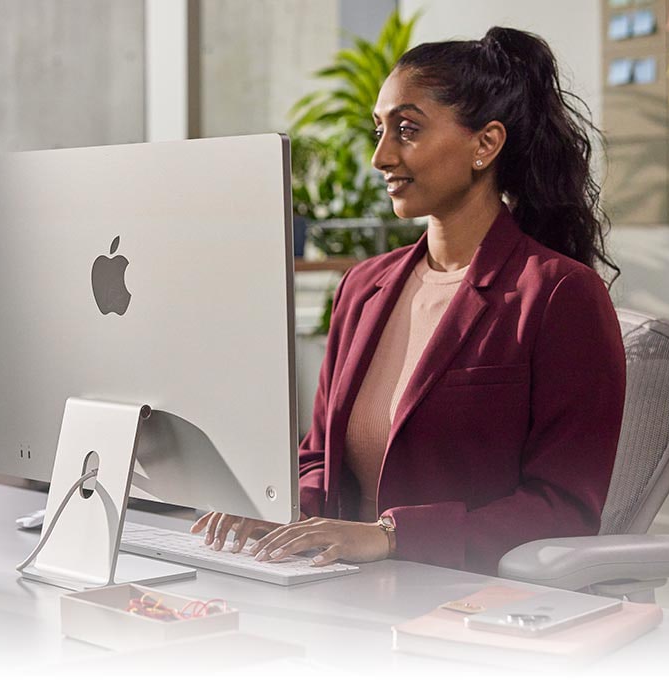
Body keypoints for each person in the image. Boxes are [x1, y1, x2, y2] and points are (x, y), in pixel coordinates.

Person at [191, 26, 626, 575]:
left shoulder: (561, 294)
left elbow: (564, 507)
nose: (380, 156)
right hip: (340, 588)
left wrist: (390, 537)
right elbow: (319, 460)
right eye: (380, 130)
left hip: (463, 602)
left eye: (407, 130)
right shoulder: (363, 286)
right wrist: (277, 512)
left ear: (485, 144)